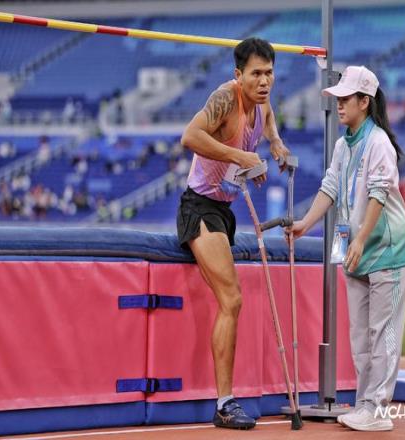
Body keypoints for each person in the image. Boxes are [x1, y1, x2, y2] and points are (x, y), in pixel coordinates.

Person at [290, 66, 405, 432]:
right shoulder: (343, 145)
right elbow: (330, 187)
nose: (339, 105)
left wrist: (358, 240)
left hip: (386, 250)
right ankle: (363, 403)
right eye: (338, 99)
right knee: (359, 334)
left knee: (382, 332)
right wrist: (305, 223)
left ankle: (378, 409)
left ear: (365, 102)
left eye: (346, 98)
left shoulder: (379, 143)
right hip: (353, 249)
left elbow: (378, 193)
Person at [177, 37, 289, 430]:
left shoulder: (262, 100)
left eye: (269, 73)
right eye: (256, 74)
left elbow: (269, 120)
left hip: (225, 211)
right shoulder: (225, 98)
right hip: (199, 208)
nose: (264, 81)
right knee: (232, 299)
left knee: (233, 300)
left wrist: (276, 144)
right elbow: (190, 137)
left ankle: (226, 399)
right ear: (238, 74)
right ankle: (225, 403)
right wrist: (240, 156)